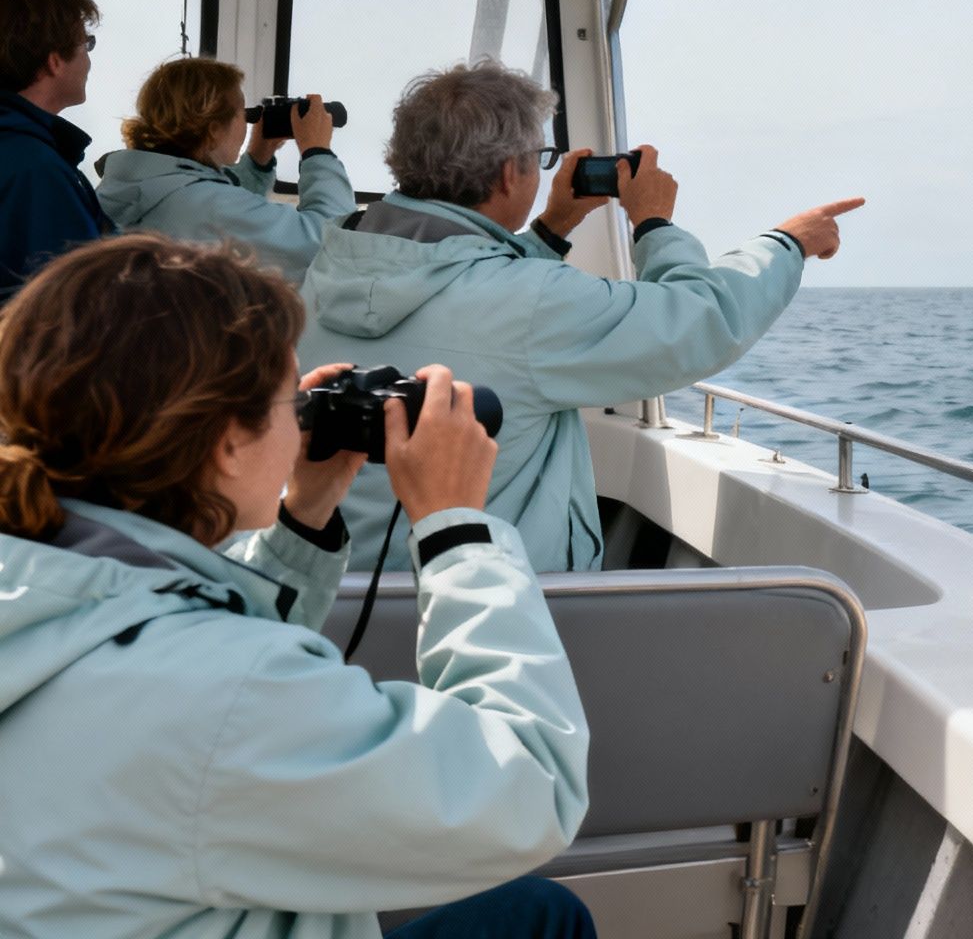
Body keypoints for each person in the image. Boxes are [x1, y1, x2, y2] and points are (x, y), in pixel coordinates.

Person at [0, 234, 594, 938]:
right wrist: (454, 525)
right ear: (226, 443)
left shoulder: (42, 584)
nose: (301, 420)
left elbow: (184, 647)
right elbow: (529, 790)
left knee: (537, 913)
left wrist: (303, 516)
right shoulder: (220, 694)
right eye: (289, 401)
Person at [299, 60, 863, 571]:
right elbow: (701, 321)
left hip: (339, 597)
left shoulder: (327, 268)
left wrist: (552, 227)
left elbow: (463, 287)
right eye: (538, 159)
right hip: (484, 607)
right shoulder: (533, 302)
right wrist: (753, 238)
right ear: (507, 175)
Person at [95, 58, 355, 284]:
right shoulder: (203, 205)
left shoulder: (140, 184)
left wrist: (257, 159)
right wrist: (317, 152)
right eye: (242, 114)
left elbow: (221, 209)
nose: (247, 124)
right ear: (213, 130)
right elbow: (330, 243)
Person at [0, 0, 114, 299]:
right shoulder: (34, 168)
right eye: (85, 45)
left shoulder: (26, 149)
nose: (89, 60)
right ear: (54, 62)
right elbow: (74, 303)